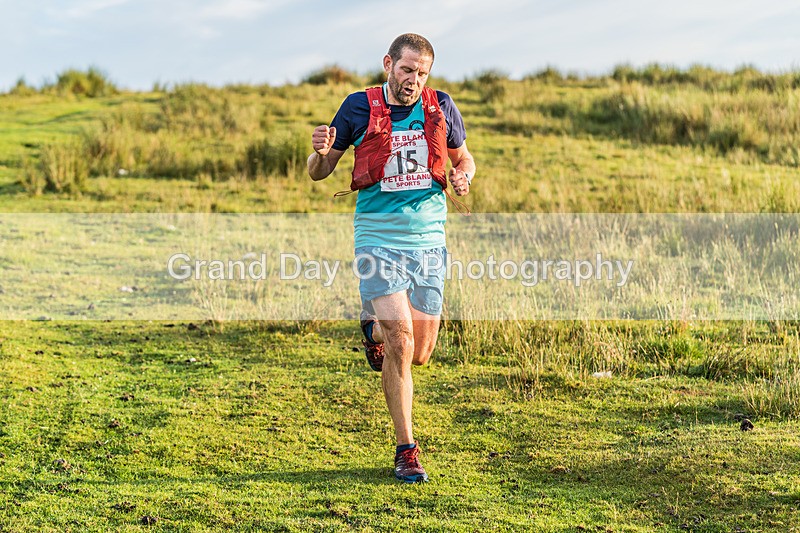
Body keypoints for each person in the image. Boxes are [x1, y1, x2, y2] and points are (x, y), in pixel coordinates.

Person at [307, 33, 476, 483]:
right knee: (400, 343)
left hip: (429, 240)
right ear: (388, 64)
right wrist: (319, 153)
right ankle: (407, 450)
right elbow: (320, 172)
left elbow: (464, 159)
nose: (413, 80)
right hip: (377, 238)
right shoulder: (357, 107)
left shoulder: (442, 106)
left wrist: (463, 176)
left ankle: (372, 326)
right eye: (406, 70)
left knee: (420, 352)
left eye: (422, 73)